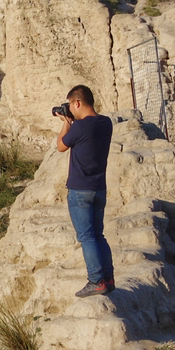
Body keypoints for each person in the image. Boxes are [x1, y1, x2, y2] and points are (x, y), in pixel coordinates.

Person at [55, 85, 114, 297]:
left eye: (70, 104)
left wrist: (66, 124)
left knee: (87, 237)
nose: (70, 108)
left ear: (77, 102)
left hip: (80, 190)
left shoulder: (79, 128)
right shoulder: (106, 123)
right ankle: (108, 278)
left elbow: (61, 146)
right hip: (99, 188)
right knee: (98, 235)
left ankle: (96, 281)